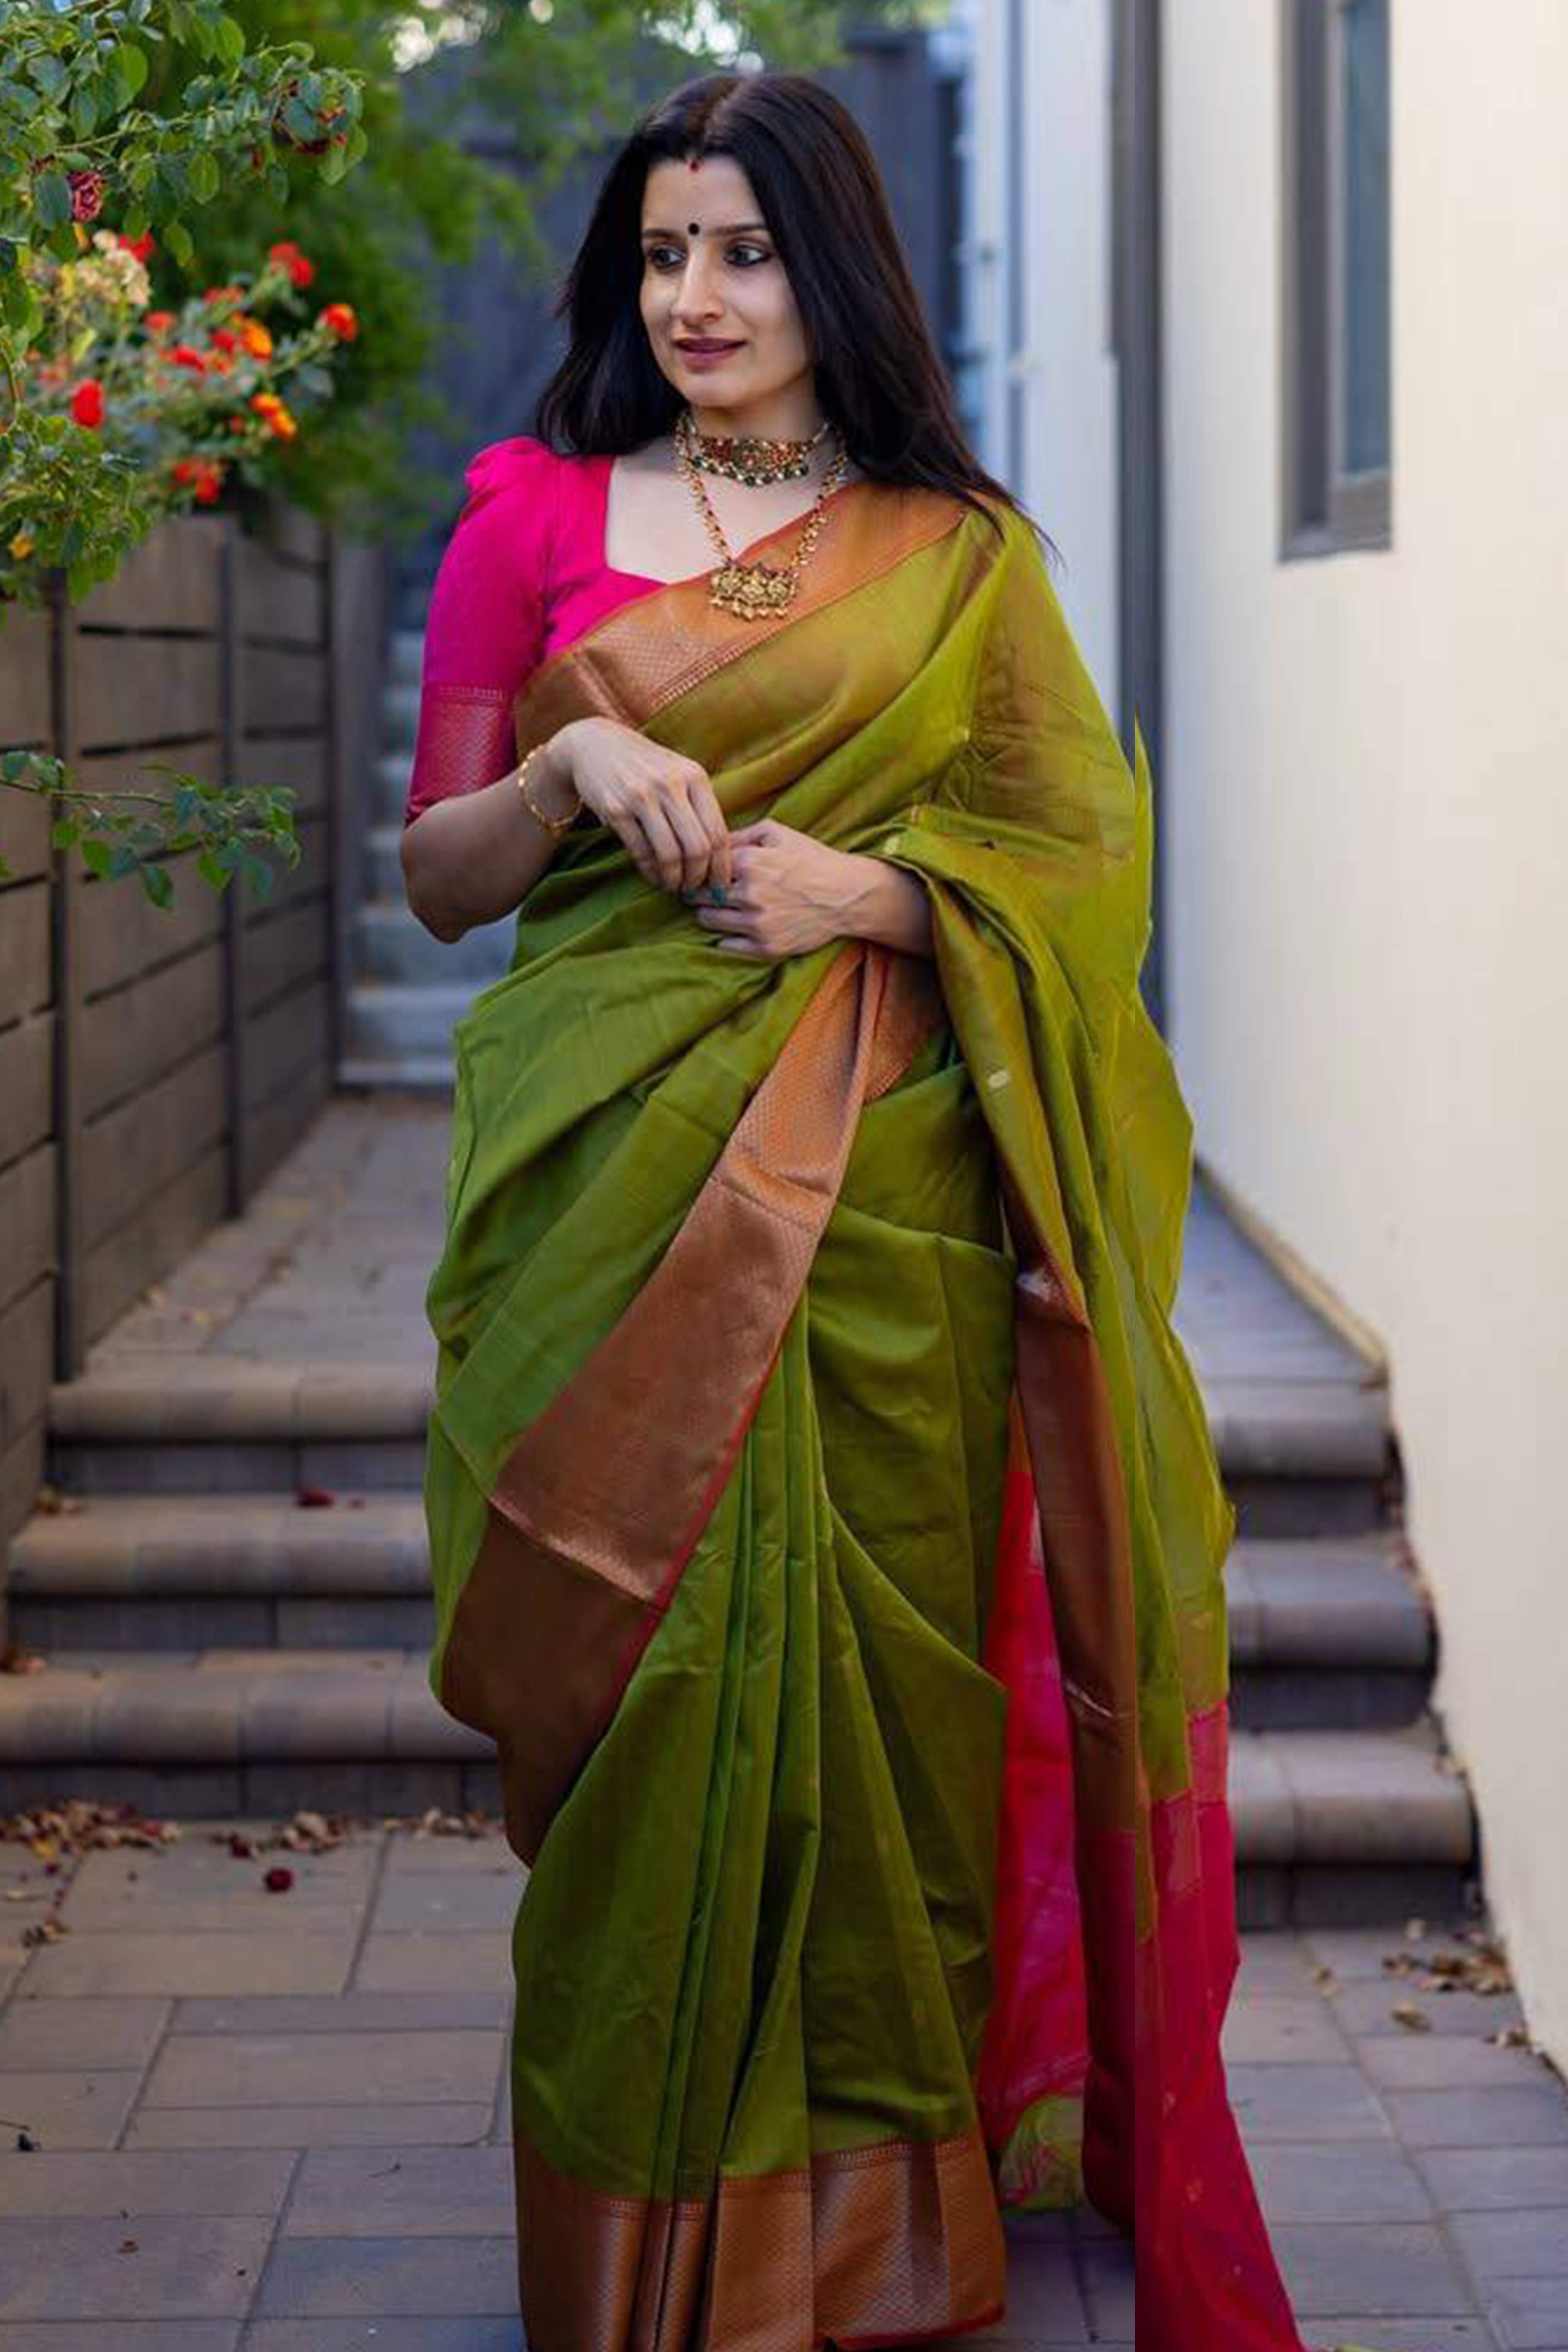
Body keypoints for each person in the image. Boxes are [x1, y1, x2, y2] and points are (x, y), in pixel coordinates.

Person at [402, 66, 1362, 2352]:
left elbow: (1074, 863)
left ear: (834, 274)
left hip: (884, 1222)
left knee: (888, 1718)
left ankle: (873, 2238)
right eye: (664, 253)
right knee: (642, 1716)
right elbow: (439, 882)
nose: (702, 297)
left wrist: (892, 895)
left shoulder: (955, 553)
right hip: (604, 1204)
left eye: (744, 250)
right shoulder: (527, 519)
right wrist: (559, 763)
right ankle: (638, 2234)